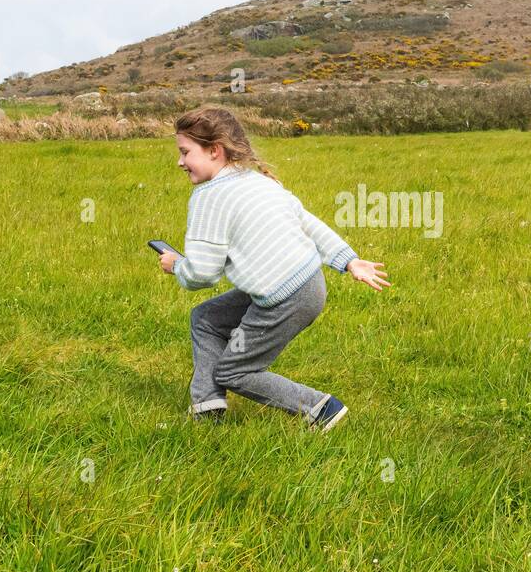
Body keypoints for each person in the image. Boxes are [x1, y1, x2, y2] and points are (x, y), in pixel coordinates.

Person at [164, 106, 390, 431]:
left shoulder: (208, 197)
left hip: (284, 297)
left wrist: (176, 266)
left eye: (186, 152)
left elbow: (203, 273)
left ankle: (321, 408)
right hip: (308, 284)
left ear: (214, 150)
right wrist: (348, 260)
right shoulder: (257, 181)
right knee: (207, 319)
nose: (180, 162)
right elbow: (308, 222)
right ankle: (207, 405)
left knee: (235, 372)